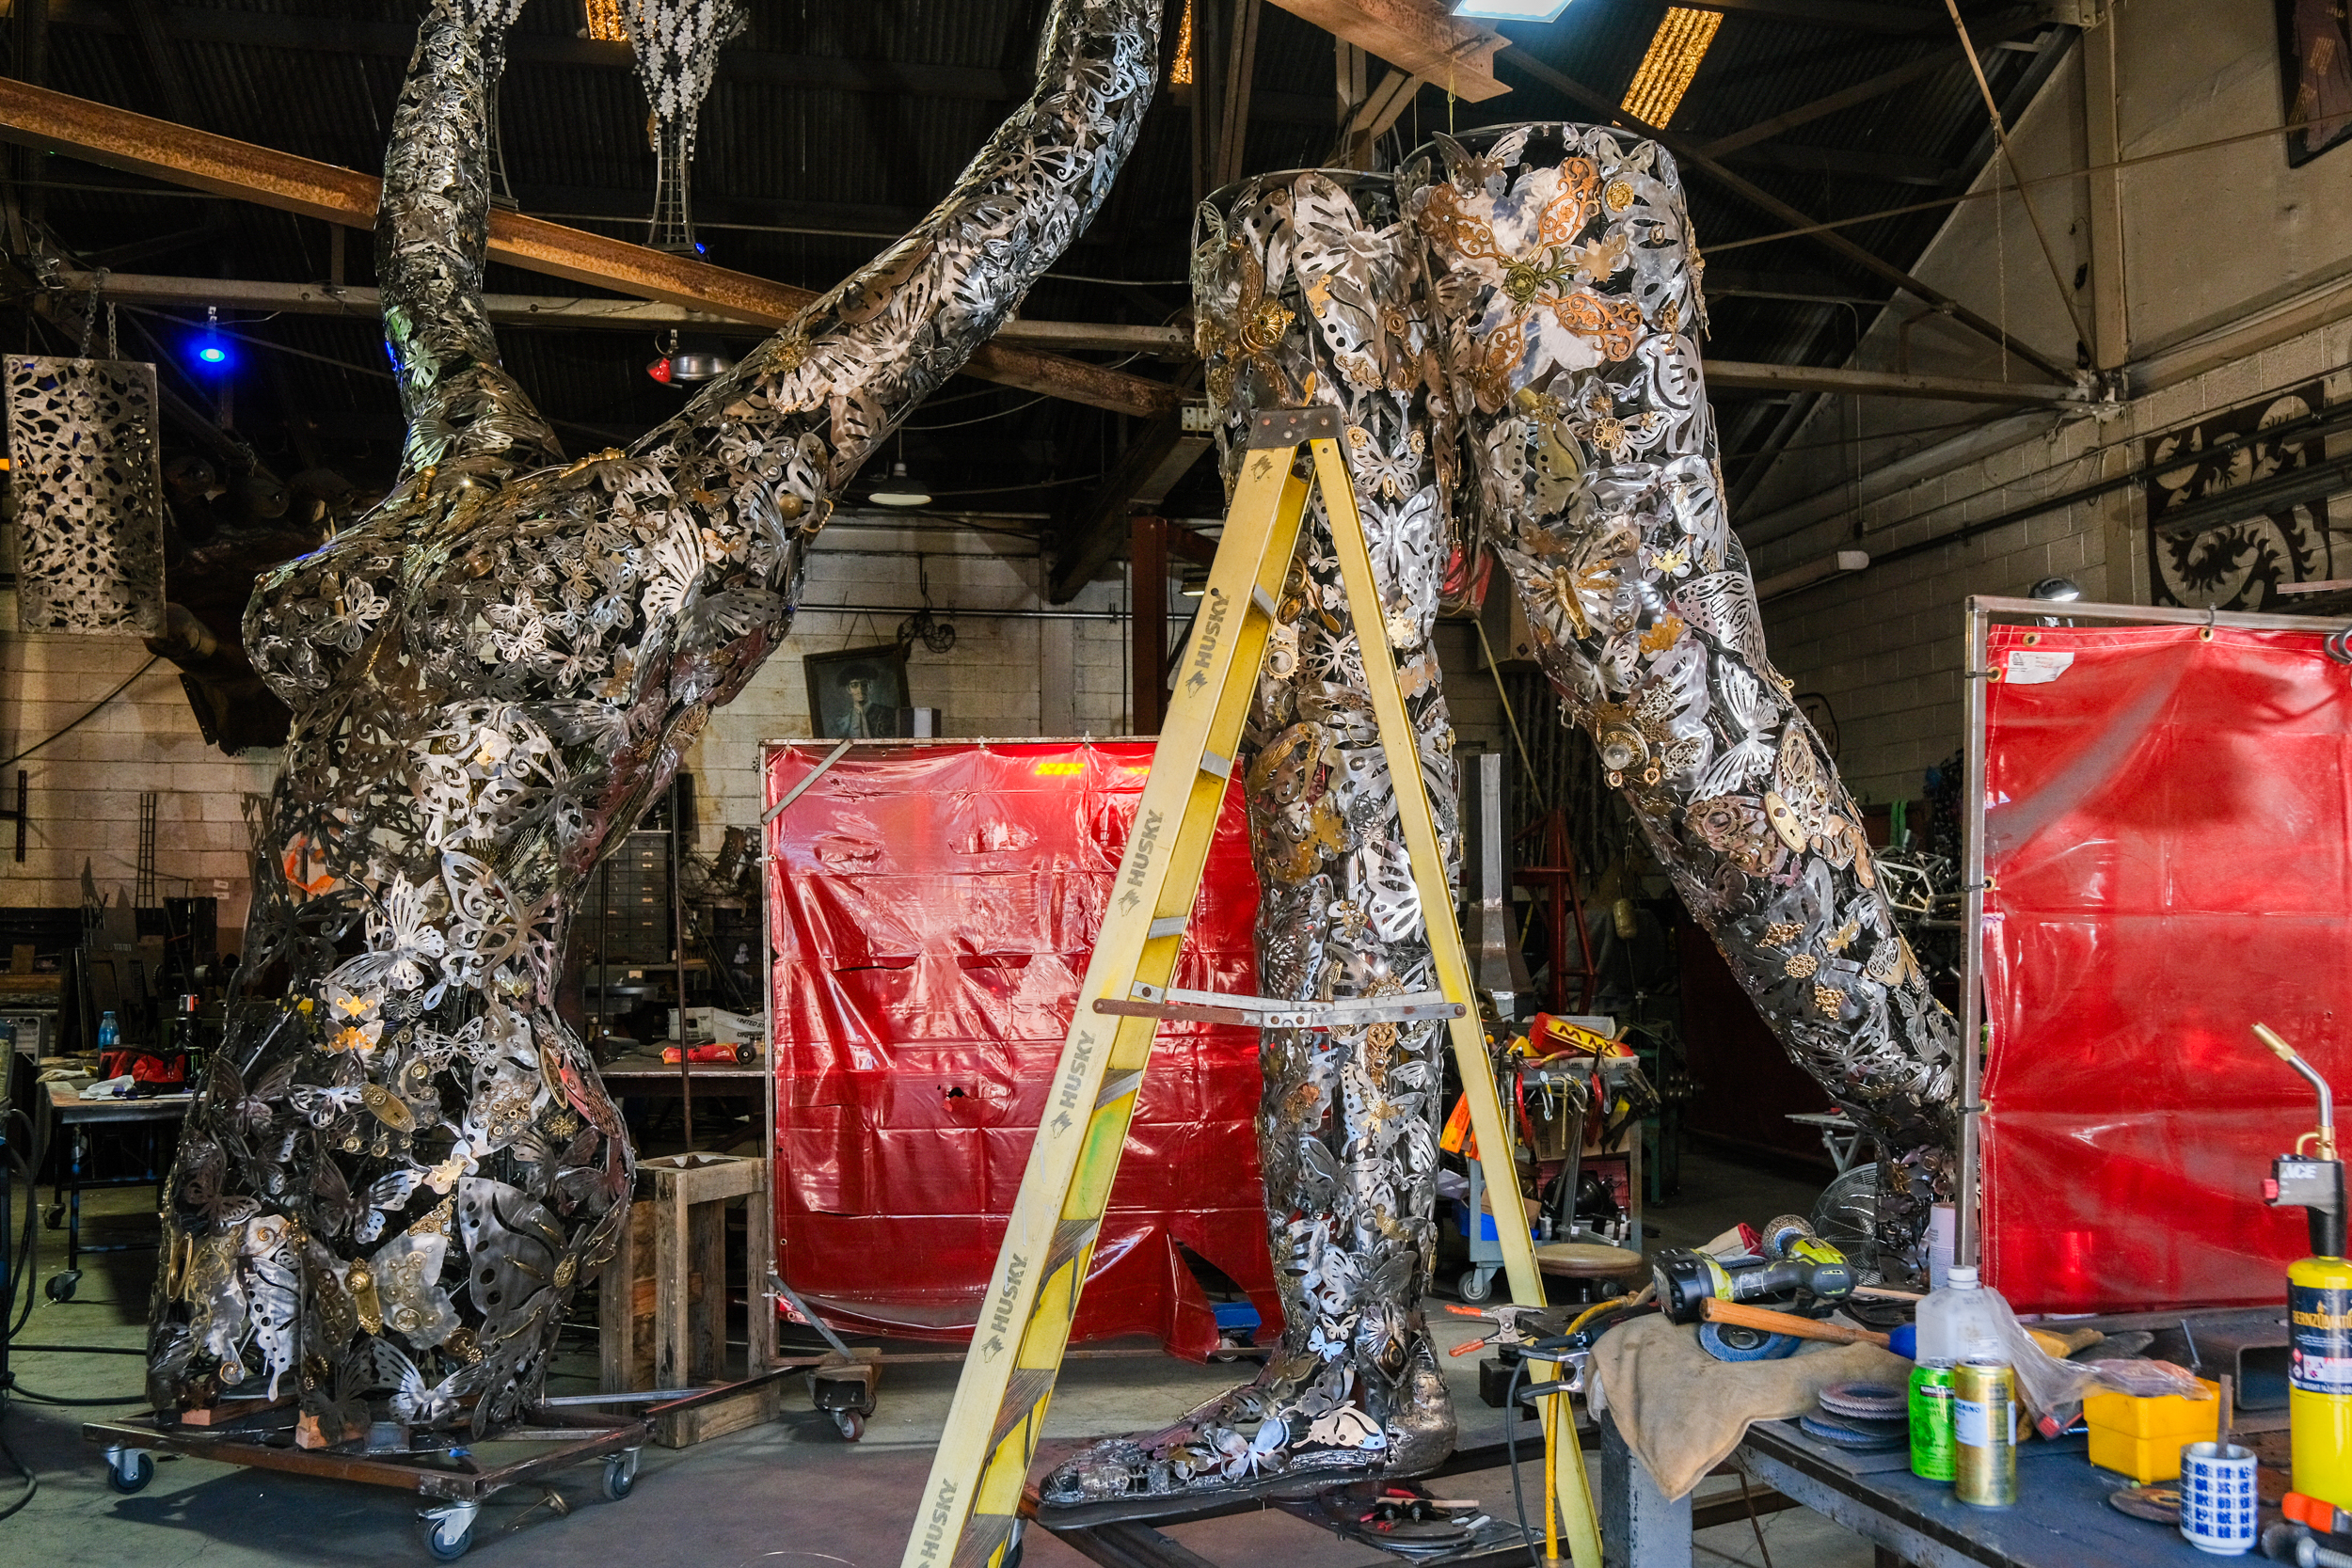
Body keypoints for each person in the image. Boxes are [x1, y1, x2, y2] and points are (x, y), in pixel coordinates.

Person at [143, 0, 1160, 1427]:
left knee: (391, 1282)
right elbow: (1000, 223)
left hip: (360, 1052)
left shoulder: (527, 485)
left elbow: (424, 262)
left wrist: (466, 34)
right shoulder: (615, 512)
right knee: (344, 1277)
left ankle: (352, 1354)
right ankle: (341, 1357)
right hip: (316, 1042)